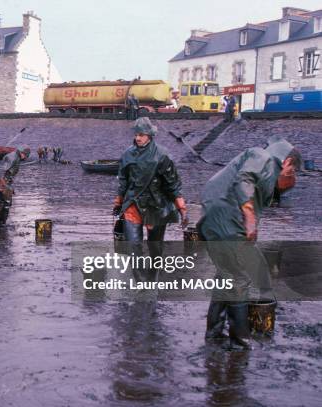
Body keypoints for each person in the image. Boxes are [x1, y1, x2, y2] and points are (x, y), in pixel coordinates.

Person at [197, 135, 301, 349]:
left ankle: (214, 333)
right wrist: (250, 216)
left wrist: (287, 182)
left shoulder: (268, 172)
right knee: (238, 279)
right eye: (292, 170)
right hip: (225, 217)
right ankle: (239, 342)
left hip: (216, 217)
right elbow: (244, 179)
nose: (292, 175)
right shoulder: (262, 156)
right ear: (287, 161)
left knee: (226, 275)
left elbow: (268, 192)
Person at [113, 116, 188, 258]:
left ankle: (154, 275)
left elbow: (172, 183)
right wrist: (118, 202)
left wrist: (182, 208)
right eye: (136, 135)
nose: (137, 138)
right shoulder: (127, 154)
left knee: (155, 247)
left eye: (141, 135)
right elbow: (123, 181)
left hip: (156, 205)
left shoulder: (162, 155)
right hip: (133, 203)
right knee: (133, 248)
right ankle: (140, 278)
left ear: (149, 135)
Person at [0, 145, 31, 227]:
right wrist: (2, 185)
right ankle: (2, 224)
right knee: (4, 204)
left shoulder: (16, 157)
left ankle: (2, 223)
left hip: (6, 182)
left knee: (5, 204)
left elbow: (9, 172)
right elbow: (1, 171)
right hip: (3, 182)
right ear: (22, 153)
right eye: (25, 156)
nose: (24, 158)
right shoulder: (12, 158)